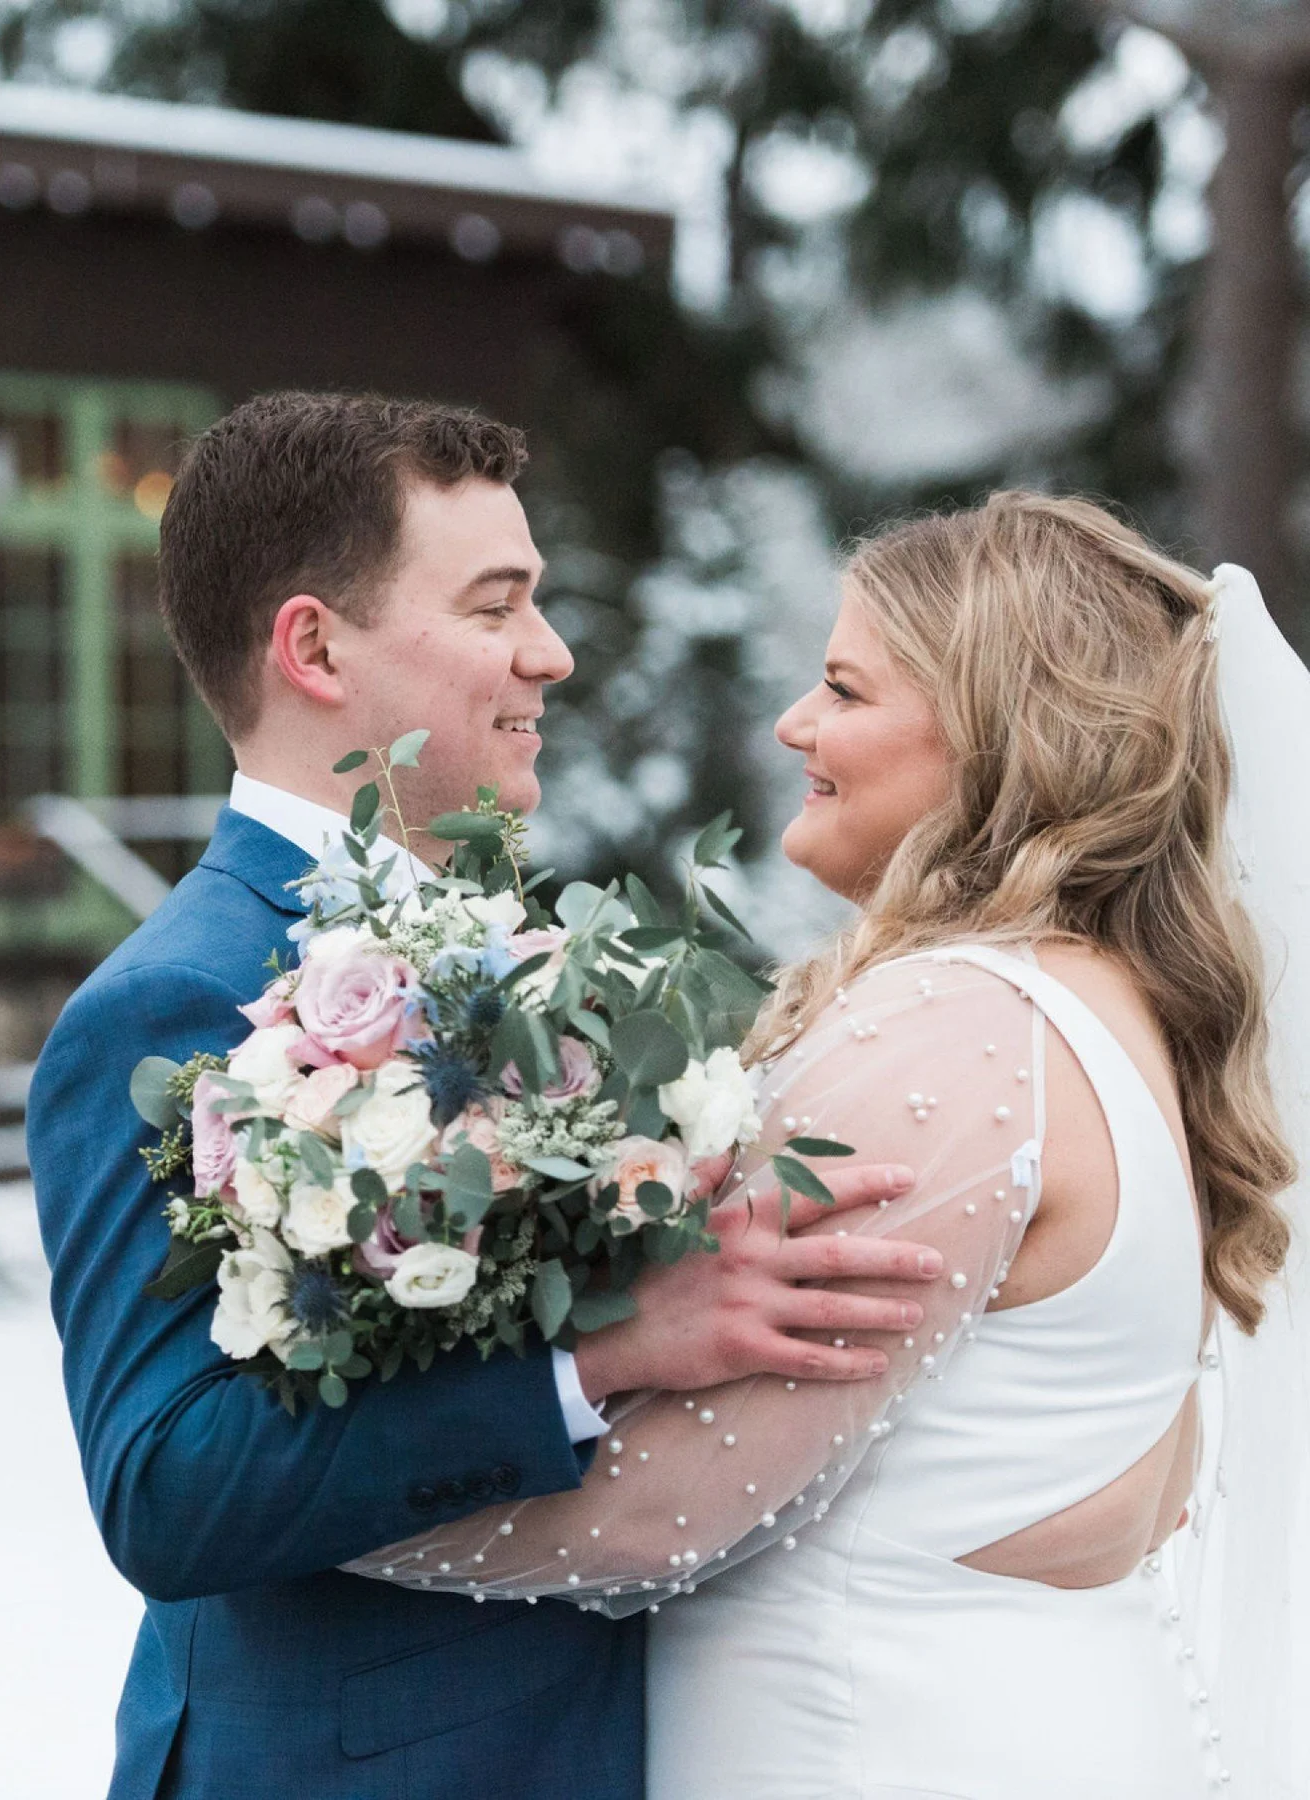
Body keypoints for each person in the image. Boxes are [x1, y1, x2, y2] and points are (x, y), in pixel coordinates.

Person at [26, 391, 941, 1800]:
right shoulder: (167, 1004)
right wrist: (603, 1357)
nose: (551, 655)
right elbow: (165, 1485)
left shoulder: (545, 959)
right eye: (496, 605)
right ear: (315, 646)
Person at [350, 492, 1301, 1798]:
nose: (794, 724)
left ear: (999, 735)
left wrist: (306, 1507)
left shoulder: (970, 1028)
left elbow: (658, 1510)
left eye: (844, 688)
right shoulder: (1097, 1007)